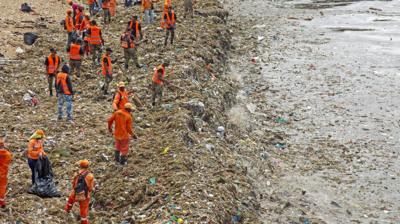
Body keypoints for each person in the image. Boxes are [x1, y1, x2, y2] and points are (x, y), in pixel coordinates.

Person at [65, 159, 94, 224]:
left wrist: (76, 190)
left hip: (75, 192)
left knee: (70, 201)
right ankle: (84, 222)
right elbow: (90, 188)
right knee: (83, 209)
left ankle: (67, 211)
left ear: (80, 166)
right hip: (85, 195)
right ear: (87, 166)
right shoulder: (90, 176)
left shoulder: (76, 173)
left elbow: (73, 183)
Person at [0, 139, 12, 208]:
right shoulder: (8, 154)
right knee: (2, 187)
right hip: (3, 174)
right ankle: (2, 201)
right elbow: (8, 162)